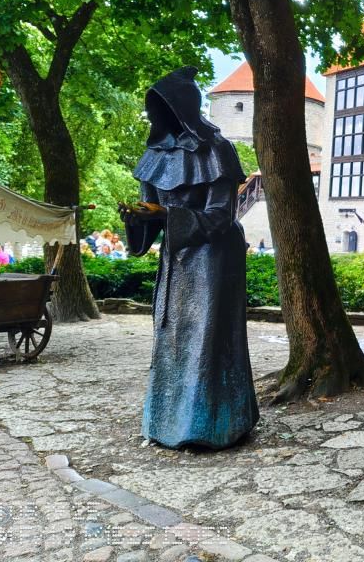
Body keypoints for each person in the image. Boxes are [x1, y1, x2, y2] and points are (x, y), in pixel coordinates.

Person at [120, 66, 258, 450]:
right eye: (154, 109)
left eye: (164, 106)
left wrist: (167, 215)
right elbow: (150, 215)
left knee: (206, 338)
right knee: (172, 338)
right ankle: (166, 421)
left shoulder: (217, 150)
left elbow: (220, 217)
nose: (157, 115)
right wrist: (137, 219)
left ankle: (213, 423)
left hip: (213, 260)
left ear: (182, 107)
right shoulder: (155, 155)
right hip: (177, 260)